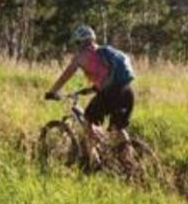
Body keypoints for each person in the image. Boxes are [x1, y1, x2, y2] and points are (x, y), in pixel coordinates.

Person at [45, 25, 136, 154]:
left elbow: (66, 75)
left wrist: (53, 91)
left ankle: (95, 162)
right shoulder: (104, 52)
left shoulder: (81, 56)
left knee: (88, 121)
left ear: (79, 41)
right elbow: (106, 76)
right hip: (126, 90)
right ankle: (130, 160)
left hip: (110, 93)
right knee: (119, 129)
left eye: (77, 43)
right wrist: (93, 89)